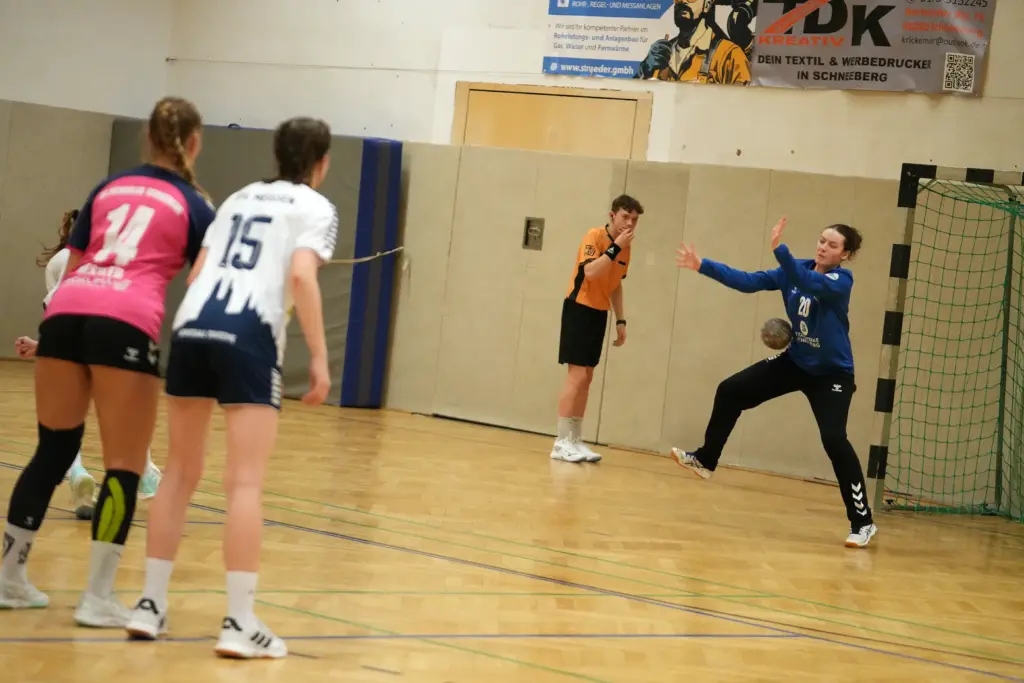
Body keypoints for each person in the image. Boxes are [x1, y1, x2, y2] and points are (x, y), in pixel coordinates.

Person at [124, 116, 336, 660]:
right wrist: (319, 357)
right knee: (244, 484)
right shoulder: (316, 206)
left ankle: (149, 604)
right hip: (249, 329)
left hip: (192, 325)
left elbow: (197, 273)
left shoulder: (238, 197)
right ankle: (239, 622)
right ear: (322, 163)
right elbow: (302, 276)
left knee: (178, 472)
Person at [0, 97, 216, 623]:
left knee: (53, 450)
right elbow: (203, 284)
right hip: (125, 321)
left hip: (65, 314)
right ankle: (98, 598)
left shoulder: (106, 189)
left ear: (147, 138)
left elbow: (72, 266)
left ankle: (8, 578)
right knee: (124, 465)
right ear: (194, 143)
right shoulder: (195, 204)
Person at [671, 216, 878, 549]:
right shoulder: (793, 270)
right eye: (821, 240)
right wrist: (703, 266)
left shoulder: (841, 280)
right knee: (731, 390)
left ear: (845, 254)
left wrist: (780, 250)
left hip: (832, 374)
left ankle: (862, 522)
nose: (823, 247)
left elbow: (810, 283)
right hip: (796, 362)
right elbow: (748, 281)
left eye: (832, 245)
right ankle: (706, 459)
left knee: (834, 439)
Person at [16, 213, 164, 520]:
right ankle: (144, 472)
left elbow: (61, 313)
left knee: (65, 420)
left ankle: (78, 473)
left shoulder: (59, 261)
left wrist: (43, 345)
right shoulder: (120, 256)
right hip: (112, 334)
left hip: (68, 337)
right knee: (126, 412)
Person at [552, 195, 642, 463]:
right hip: (579, 307)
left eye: (634, 219)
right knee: (577, 375)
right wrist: (615, 247)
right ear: (612, 215)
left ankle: (575, 439)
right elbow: (591, 272)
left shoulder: (626, 248)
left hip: (600, 312)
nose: (630, 223)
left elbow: (616, 283)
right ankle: (560, 442)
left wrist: (621, 320)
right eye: (625, 217)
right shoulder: (595, 236)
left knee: (588, 377)